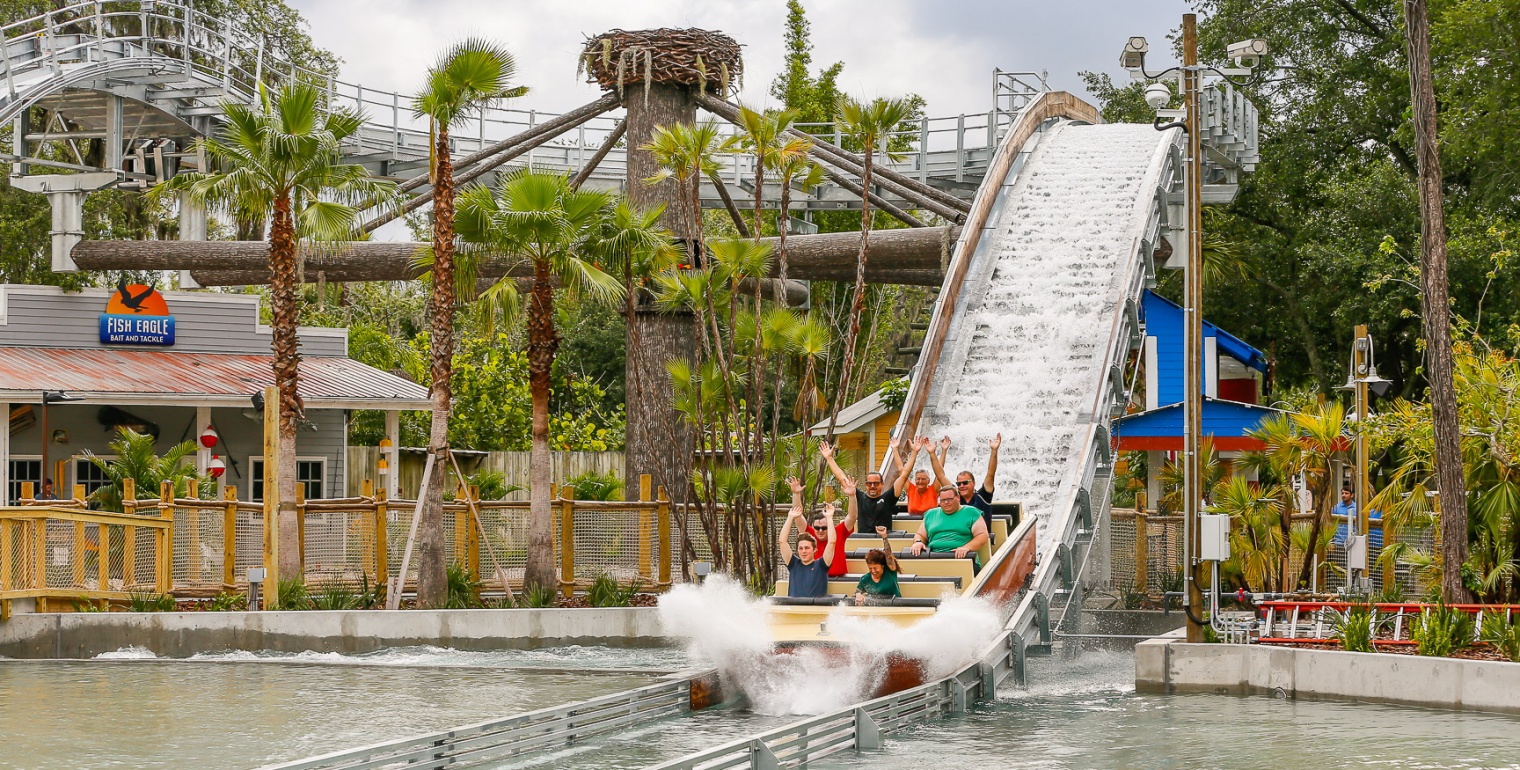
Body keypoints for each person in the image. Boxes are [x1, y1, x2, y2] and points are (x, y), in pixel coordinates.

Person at [819, 439, 902, 539]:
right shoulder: (859, 496)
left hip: (883, 541)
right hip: (862, 541)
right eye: (869, 483)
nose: (872, 486)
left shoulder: (888, 498)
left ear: (882, 484)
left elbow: (904, 475)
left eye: (876, 483)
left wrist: (895, 450)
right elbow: (841, 478)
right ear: (866, 484)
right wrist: (829, 458)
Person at [779, 477, 837, 598]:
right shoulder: (794, 564)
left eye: (807, 548)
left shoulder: (822, 565)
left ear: (814, 550)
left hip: (815, 610)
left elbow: (831, 542)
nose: (803, 551)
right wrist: (790, 518)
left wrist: (830, 518)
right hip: (795, 610)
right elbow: (782, 541)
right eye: (801, 548)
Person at [930, 433, 1001, 531]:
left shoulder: (983, 496)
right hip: (959, 539)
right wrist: (932, 453)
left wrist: (994, 451)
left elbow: (990, 473)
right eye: (959, 484)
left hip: (981, 540)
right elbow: (940, 475)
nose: (961, 486)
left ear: (973, 483)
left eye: (965, 483)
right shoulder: (955, 496)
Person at [910, 485, 990, 569]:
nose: (946, 502)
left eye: (949, 499)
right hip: (933, 559)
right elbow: (920, 534)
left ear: (958, 497)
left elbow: (982, 535)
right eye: (943, 500)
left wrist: (966, 548)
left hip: (963, 559)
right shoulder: (930, 514)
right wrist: (918, 542)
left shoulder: (972, 512)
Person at [800, 474, 860, 578]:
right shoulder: (809, 535)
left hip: (839, 579)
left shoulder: (839, 531)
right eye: (817, 528)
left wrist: (852, 496)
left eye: (824, 528)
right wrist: (796, 494)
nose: (820, 531)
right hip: (816, 580)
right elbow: (797, 515)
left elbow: (852, 516)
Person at [902, 436, 949, 515]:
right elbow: (903, 473)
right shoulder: (910, 489)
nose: (920, 481)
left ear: (928, 481)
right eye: (918, 479)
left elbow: (940, 473)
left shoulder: (934, 489)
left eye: (923, 479)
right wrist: (914, 452)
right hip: (911, 523)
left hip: (931, 523)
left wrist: (943, 451)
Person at [854, 533, 902, 605]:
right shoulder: (865, 579)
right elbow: (857, 592)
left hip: (894, 606)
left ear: (882, 565)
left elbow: (888, 555)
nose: (873, 571)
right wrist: (858, 595)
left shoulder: (890, 572)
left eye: (875, 568)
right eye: (870, 568)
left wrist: (884, 537)